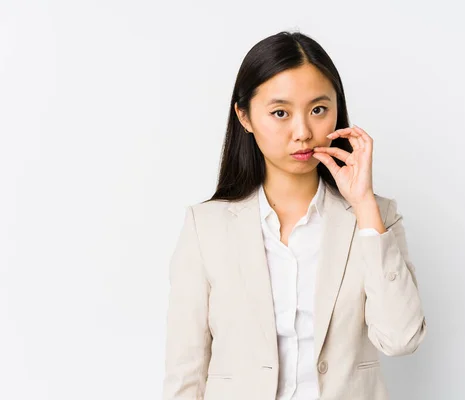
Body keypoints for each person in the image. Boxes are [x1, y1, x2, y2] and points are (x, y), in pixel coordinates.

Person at [162, 30, 427, 400]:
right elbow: (185, 371)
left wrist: (364, 205)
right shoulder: (205, 228)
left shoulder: (375, 217)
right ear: (245, 116)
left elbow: (400, 339)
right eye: (280, 113)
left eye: (319, 110)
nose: (303, 132)